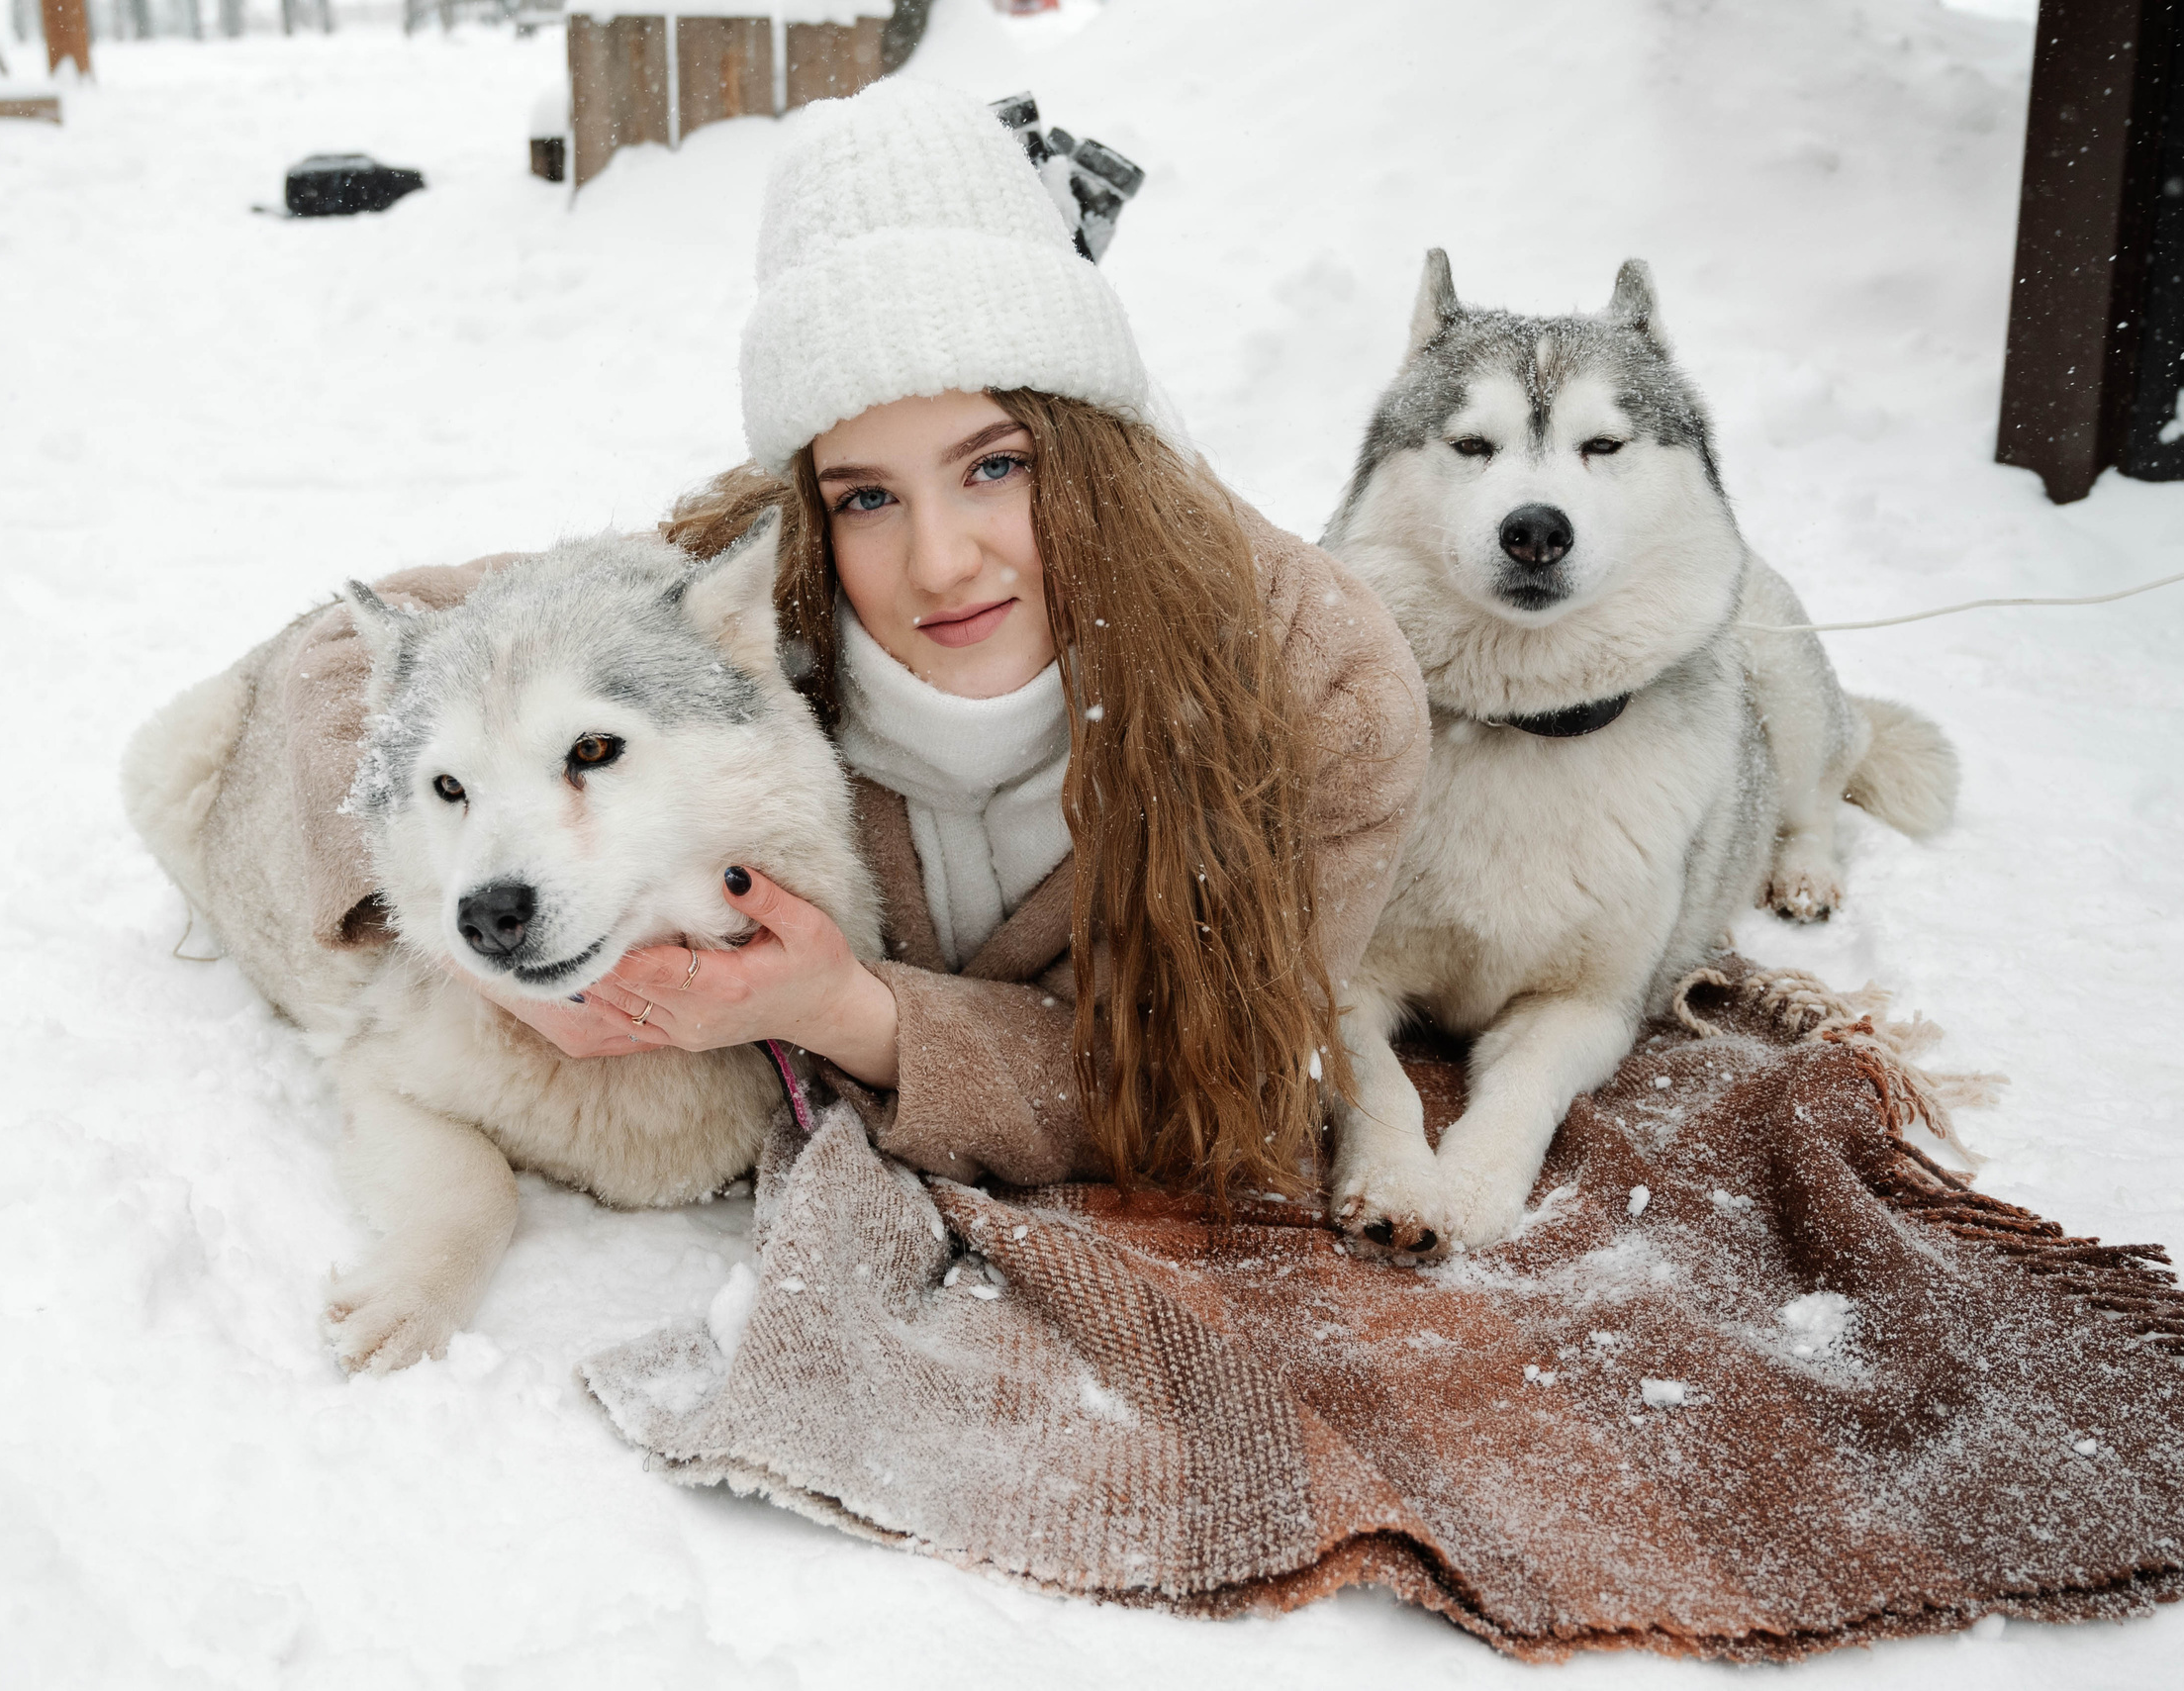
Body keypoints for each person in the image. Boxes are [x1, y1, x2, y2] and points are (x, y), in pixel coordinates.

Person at [291, 80, 1428, 1205]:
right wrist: (469, 941)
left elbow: (1208, 1082)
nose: (940, 561)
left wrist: (846, 1013)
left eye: (997, 465)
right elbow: (353, 655)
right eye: (868, 496)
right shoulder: (750, 585)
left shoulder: (1317, 681)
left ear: (1097, 450)